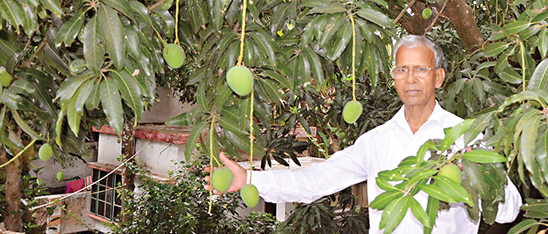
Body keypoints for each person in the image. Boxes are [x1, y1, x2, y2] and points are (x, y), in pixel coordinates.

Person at [207, 35, 522, 233]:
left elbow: (510, 209)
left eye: (421, 69)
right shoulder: (377, 141)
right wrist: (249, 180)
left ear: (438, 78)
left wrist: (475, 175)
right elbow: (315, 181)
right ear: (394, 78)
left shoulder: (465, 138)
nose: (410, 78)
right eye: (402, 69)